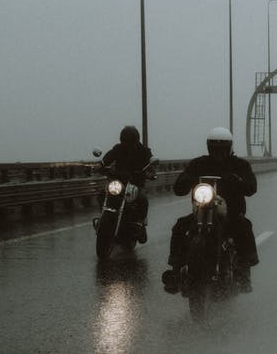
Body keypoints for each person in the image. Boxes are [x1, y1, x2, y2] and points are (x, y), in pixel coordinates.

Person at [162, 127, 260, 293]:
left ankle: (244, 272)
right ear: (209, 147)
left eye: (222, 149)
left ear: (229, 148)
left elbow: (251, 188)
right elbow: (179, 187)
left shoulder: (239, 165)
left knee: (244, 226)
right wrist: (186, 180)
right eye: (215, 148)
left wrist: (237, 180)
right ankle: (176, 270)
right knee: (180, 226)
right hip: (202, 210)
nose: (218, 152)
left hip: (231, 213)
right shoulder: (199, 164)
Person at [100, 125, 153, 243]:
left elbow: (151, 162)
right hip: (119, 182)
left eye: (129, 138)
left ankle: (141, 224)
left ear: (135, 139)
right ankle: (104, 217)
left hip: (136, 183)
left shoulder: (143, 150)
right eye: (125, 138)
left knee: (142, 199)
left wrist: (150, 171)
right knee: (102, 194)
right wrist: (102, 164)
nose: (127, 141)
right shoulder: (118, 148)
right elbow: (109, 157)